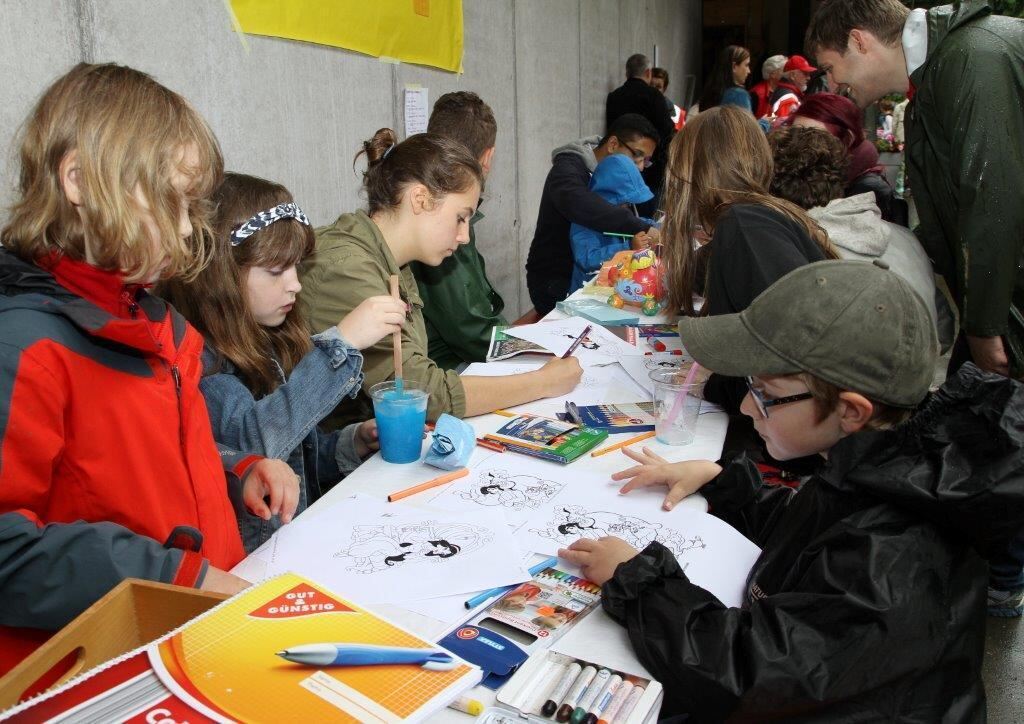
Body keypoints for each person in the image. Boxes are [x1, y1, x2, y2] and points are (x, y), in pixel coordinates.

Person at [560, 259, 1024, 720]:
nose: (745, 406)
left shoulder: (894, 557)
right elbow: (811, 530)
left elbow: (750, 675)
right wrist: (728, 486)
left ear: (851, 411)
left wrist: (639, 584)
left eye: (765, 393)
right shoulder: (876, 473)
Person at [0, 64, 293, 674]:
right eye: (171, 203)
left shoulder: (154, 319)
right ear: (78, 179)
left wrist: (235, 469)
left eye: (191, 207)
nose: (187, 228)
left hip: (195, 632)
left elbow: (146, 453)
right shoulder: (25, 346)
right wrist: (170, 575)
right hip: (104, 666)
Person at [806, 0, 1024, 615]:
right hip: (997, 296)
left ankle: (1002, 582)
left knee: (997, 442)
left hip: (1001, 304)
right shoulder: (943, 74)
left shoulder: (972, 60)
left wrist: (983, 327)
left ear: (859, 41)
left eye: (831, 69)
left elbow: (993, 197)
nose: (834, 86)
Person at [161, 173, 407, 553]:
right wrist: (341, 344)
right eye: (276, 271)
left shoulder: (267, 338)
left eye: (296, 267)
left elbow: (294, 468)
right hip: (253, 565)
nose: (295, 284)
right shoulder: (201, 361)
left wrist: (350, 443)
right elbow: (254, 442)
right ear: (220, 276)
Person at [301, 130, 582, 426]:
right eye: (460, 217)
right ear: (420, 198)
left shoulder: (390, 261)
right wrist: (541, 383)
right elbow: (421, 392)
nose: (463, 237)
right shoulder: (346, 269)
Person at [660, 105, 838, 414]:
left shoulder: (745, 225)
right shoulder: (753, 219)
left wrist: (713, 385)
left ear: (691, 174)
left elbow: (789, 362)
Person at [767, 124, 955, 351]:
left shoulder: (797, 254)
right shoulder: (907, 239)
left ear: (769, 187)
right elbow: (942, 331)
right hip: (914, 377)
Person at [526, 114, 659, 315]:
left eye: (646, 161)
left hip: (595, 280)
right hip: (555, 281)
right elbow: (584, 205)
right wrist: (638, 231)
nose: (640, 167)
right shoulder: (567, 170)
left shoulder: (613, 175)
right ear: (613, 144)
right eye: (637, 156)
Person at [411, 92, 507, 370]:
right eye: (460, 219)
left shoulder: (433, 203)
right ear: (487, 157)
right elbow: (470, 330)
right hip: (444, 366)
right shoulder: (440, 221)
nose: (462, 235)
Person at [789, 92, 906, 226]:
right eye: (795, 134)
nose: (800, 144)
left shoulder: (866, 191)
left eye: (815, 136)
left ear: (847, 139)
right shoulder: (802, 176)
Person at [568, 154, 655, 292]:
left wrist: (655, 227)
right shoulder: (583, 218)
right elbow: (587, 259)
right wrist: (628, 247)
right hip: (589, 292)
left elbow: (637, 222)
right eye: (623, 202)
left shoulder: (620, 210)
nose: (626, 208)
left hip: (617, 284)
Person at [606, 54, 675, 216]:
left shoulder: (614, 97)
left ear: (627, 73)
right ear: (648, 73)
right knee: (646, 215)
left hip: (619, 164)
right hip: (651, 171)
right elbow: (667, 131)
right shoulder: (655, 96)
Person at [698, 45, 753, 113]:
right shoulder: (738, 95)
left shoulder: (709, 93)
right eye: (746, 65)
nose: (749, 71)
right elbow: (744, 123)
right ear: (734, 67)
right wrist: (764, 122)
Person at [768, 54, 817, 119]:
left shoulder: (783, 91)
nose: (809, 78)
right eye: (805, 73)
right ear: (792, 75)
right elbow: (784, 127)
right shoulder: (788, 99)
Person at [749, 54, 787, 118]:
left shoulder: (785, 92)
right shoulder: (756, 94)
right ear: (773, 74)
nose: (787, 74)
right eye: (784, 70)